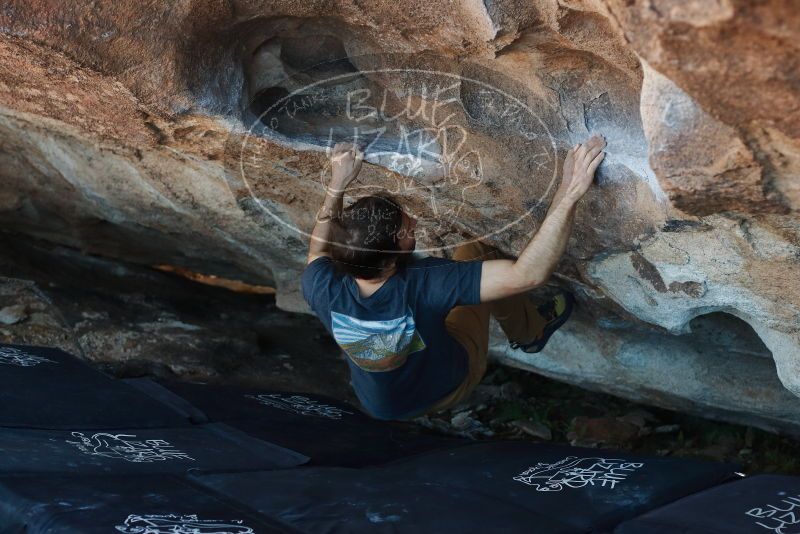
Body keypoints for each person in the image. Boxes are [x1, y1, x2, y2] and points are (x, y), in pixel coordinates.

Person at [302, 136, 606, 420]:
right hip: (447, 385)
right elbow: (527, 274)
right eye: (407, 231)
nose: (416, 221)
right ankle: (530, 333)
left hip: (381, 405)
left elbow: (319, 247)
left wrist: (337, 183)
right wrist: (570, 191)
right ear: (392, 259)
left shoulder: (322, 285)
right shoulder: (425, 283)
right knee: (478, 250)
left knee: (437, 309)